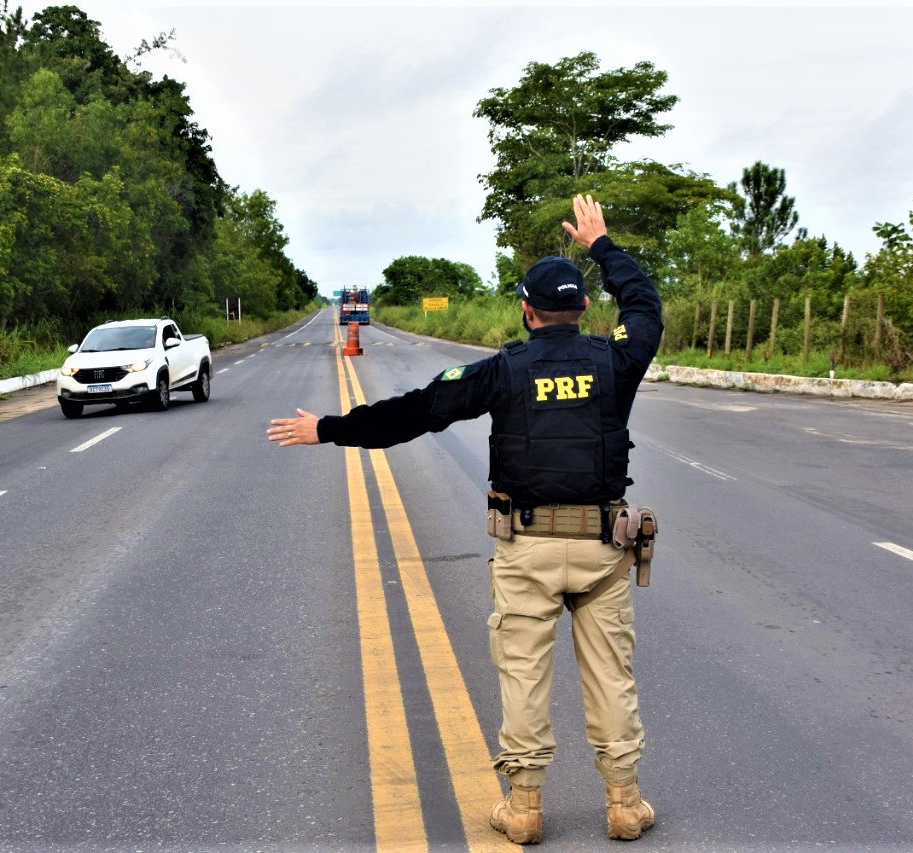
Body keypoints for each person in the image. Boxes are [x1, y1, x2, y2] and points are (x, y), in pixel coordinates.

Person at [267, 194, 663, 844]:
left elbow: (415, 412)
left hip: (528, 550)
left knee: (524, 676)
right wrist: (602, 244)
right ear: (586, 308)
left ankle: (525, 808)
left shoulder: (503, 370)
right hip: (602, 551)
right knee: (612, 679)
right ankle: (624, 803)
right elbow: (645, 307)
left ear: (527, 311)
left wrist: (329, 428)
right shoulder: (615, 361)